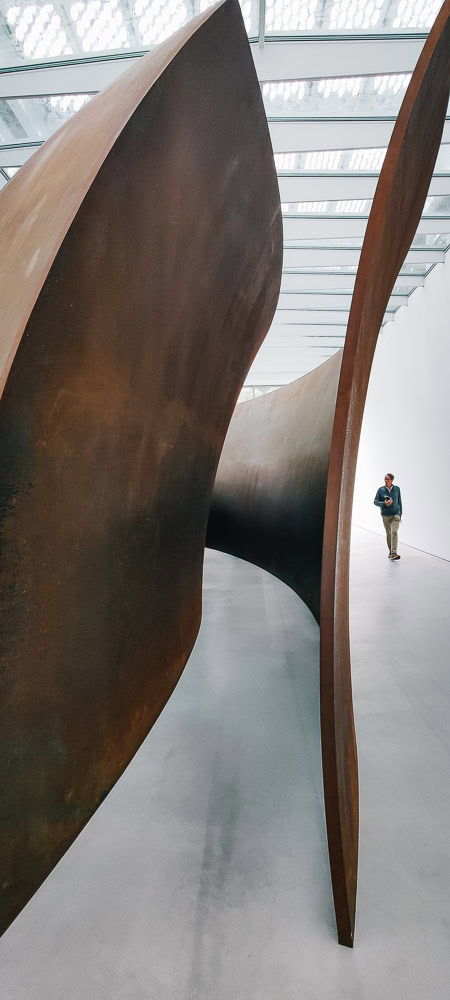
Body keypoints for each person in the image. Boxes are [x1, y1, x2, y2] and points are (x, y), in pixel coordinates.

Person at [374, 473, 402, 560]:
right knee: (389, 533)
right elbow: (375, 502)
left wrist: (400, 514)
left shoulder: (397, 489)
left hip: (395, 515)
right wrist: (385, 503)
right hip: (385, 515)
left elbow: (399, 502)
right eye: (385, 479)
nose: (386, 480)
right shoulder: (380, 490)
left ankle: (394, 552)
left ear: (392, 480)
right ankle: (390, 552)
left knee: (394, 532)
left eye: (388, 479)